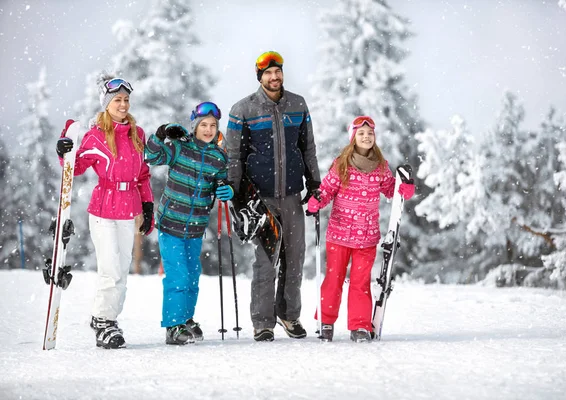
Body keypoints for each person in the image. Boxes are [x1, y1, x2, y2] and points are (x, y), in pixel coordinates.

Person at [226, 51, 321, 342]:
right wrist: (235, 193)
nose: (274, 77)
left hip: (292, 195)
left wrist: (314, 184)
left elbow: (308, 148)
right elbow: (233, 156)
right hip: (260, 199)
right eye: (268, 73)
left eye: (278, 71)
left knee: (295, 258)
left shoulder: (298, 104)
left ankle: (289, 315)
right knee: (266, 261)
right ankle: (263, 322)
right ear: (260, 76)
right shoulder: (243, 109)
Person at [55, 74, 154, 349]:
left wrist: (148, 205)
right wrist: (65, 150)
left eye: (125, 99)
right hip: (103, 208)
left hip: (129, 207)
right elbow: (75, 166)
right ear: (106, 104)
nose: (123, 105)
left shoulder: (138, 134)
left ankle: (109, 319)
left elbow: (143, 175)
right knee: (110, 269)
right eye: (117, 100)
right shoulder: (96, 135)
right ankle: (103, 321)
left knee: (121, 271)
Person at [305, 115, 415, 343]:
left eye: (370, 133)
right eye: (361, 133)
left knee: (360, 282)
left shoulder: (381, 166)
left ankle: (360, 326)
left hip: (366, 237)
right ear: (353, 138)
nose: (366, 137)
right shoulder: (342, 163)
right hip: (339, 234)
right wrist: (317, 201)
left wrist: (404, 189)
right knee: (333, 279)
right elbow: (327, 189)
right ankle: (326, 322)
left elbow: (390, 190)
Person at [145, 102, 232, 345]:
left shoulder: (219, 156)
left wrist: (226, 189)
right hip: (171, 224)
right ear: (194, 126)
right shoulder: (179, 148)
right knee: (178, 276)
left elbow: (221, 182)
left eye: (213, 125)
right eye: (203, 125)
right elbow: (150, 156)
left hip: (196, 228)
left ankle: (186, 318)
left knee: (193, 276)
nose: (208, 129)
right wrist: (161, 134)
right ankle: (173, 325)